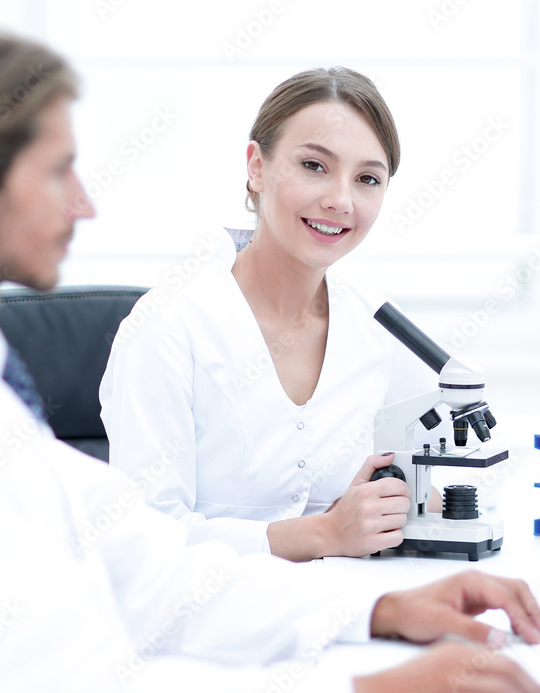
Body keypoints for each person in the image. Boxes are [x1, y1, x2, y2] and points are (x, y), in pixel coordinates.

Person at [0, 33, 540, 692]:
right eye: (58, 170)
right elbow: (33, 678)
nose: (85, 203)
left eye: (367, 177)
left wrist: (381, 611)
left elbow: (151, 568)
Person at [99, 67, 444, 561]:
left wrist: (414, 501)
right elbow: (144, 541)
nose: (340, 201)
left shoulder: (377, 328)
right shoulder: (167, 329)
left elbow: (453, 468)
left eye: (368, 178)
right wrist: (324, 534)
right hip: (204, 625)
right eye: (314, 166)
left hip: (357, 611)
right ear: (257, 168)